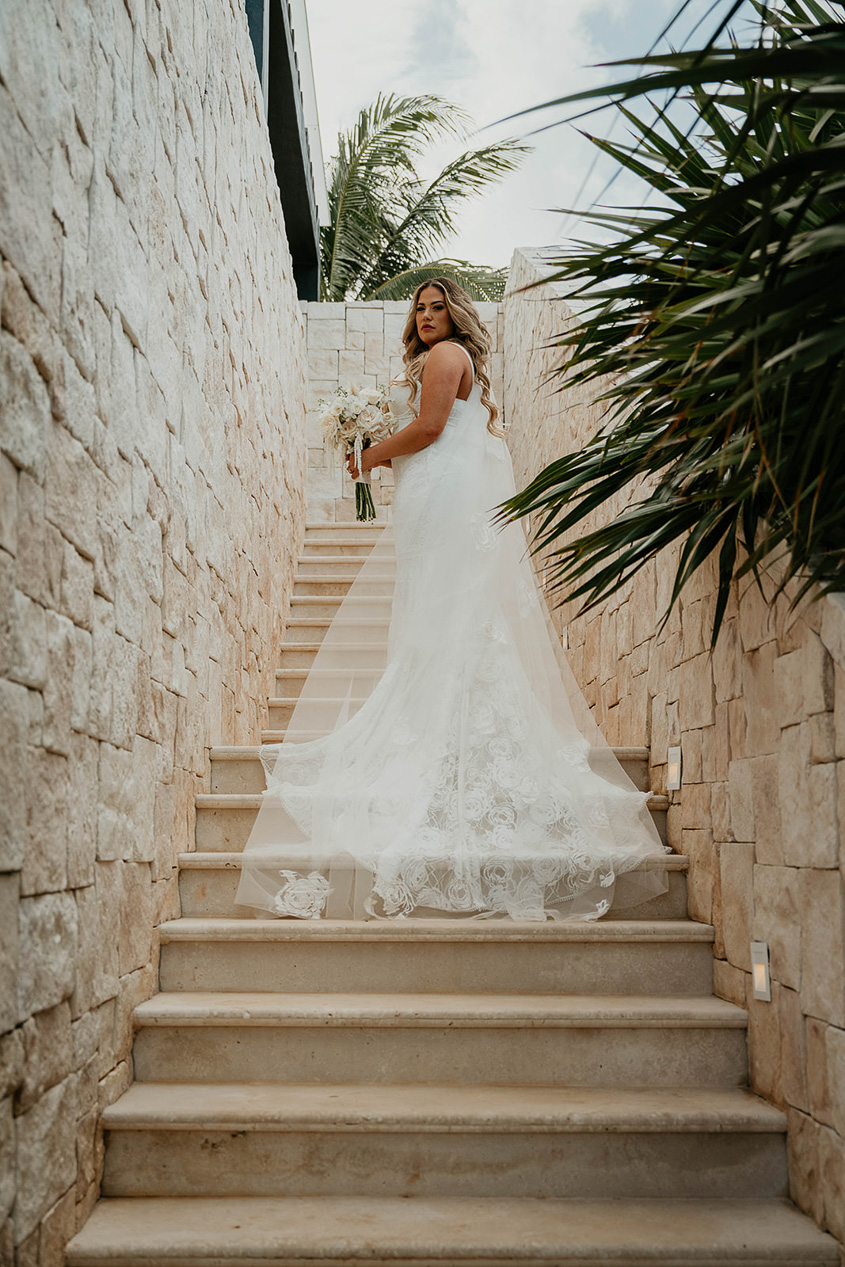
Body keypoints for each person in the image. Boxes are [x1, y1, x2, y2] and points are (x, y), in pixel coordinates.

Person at [235, 278, 671, 921]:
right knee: (440, 623)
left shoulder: (445, 357)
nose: (429, 315)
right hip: (436, 496)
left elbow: (432, 426)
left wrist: (371, 455)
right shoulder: (441, 360)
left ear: (456, 314)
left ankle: (441, 745)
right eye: (421, 307)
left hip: (437, 497)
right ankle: (444, 740)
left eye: (439, 307)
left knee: (438, 622)